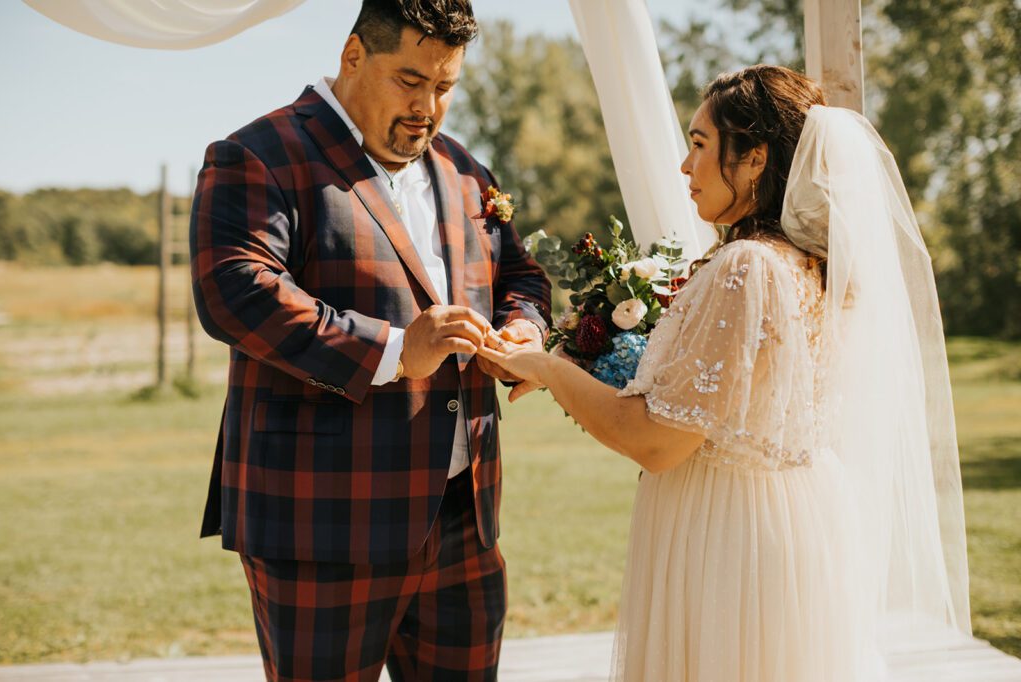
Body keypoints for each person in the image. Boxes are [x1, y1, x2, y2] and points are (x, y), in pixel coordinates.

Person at [479, 64, 969, 681]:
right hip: (795, 515)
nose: (685, 166)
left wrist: (549, 369)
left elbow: (658, 440)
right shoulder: (809, 266)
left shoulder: (748, 268)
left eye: (701, 144)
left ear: (756, 157)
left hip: (730, 537)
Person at [189, 1, 551, 679]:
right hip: (323, 521)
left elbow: (520, 275)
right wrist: (392, 352)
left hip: (463, 519)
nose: (428, 107)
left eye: (445, 87)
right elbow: (233, 290)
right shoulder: (258, 155)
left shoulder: (466, 170)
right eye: (410, 81)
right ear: (353, 55)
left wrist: (524, 325)